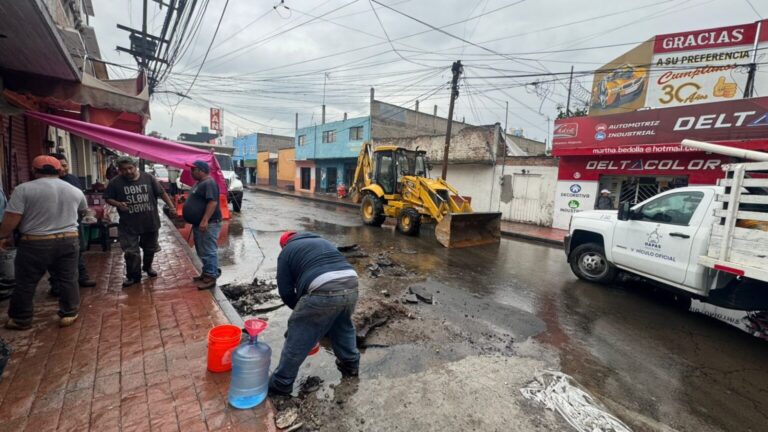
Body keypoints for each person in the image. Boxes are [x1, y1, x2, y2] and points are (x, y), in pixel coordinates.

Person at [269, 231, 360, 396]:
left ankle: (281, 383)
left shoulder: (286, 252)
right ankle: (351, 365)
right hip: (352, 284)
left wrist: (302, 314)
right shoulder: (323, 241)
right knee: (342, 327)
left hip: (323, 288)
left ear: (284, 244)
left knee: (298, 336)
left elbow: (286, 292)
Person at [1, 155, 87, 329]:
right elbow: (83, 211)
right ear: (58, 171)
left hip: (35, 243)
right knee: (68, 278)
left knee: (26, 281)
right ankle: (69, 313)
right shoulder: (74, 190)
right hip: (68, 240)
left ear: (34, 171)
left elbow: (12, 218)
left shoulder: (23, 189)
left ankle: (21, 319)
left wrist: (2, 236)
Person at [105, 156, 177, 287]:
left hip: (150, 222)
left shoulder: (148, 178)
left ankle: (147, 267)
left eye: (130, 168)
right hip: (128, 224)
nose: (127, 172)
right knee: (131, 252)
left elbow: (161, 193)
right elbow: (108, 198)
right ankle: (133, 276)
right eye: (123, 170)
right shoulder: (115, 182)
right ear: (119, 170)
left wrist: (171, 207)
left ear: (135, 166)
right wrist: (118, 204)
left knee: (150, 249)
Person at [51, 153, 96, 290]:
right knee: (56, 255)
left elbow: (81, 200)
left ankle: (82, 277)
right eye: (59, 166)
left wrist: (87, 213)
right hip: (54, 225)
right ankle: (56, 284)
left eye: (65, 165)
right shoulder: (48, 183)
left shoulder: (73, 179)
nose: (63, 169)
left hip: (75, 222)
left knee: (78, 251)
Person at [182, 161, 222, 290]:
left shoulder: (209, 183)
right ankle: (206, 272)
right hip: (199, 223)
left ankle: (211, 276)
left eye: (194, 170)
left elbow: (212, 203)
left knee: (208, 250)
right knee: (201, 250)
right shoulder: (200, 183)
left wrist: (204, 220)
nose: (191, 172)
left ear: (201, 170)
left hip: (209, 224)